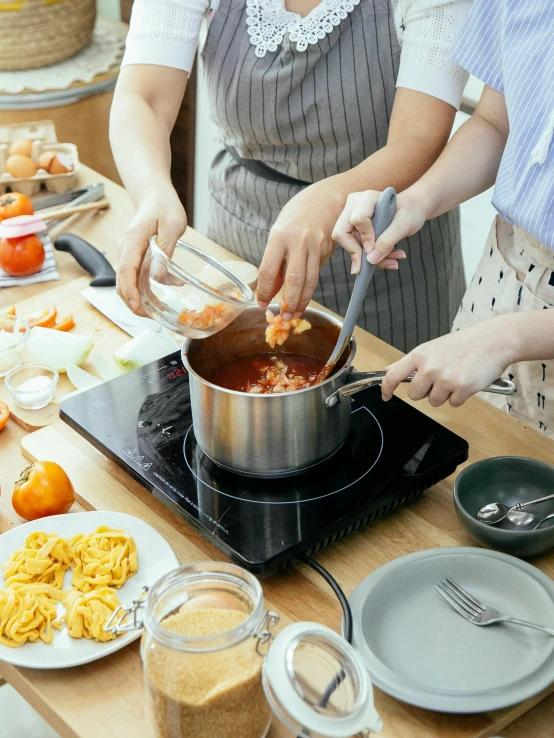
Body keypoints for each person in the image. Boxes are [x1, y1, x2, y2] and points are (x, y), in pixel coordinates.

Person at [110, 0, 473, 353]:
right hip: (238, 230)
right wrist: (152, 191)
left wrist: (331, 197)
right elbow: (144, 97)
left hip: (382, 248)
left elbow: (419, 137)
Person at [333, 1, 554, 434]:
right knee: (482, 454)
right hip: (505, 272)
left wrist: (504, 339)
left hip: (508, 331)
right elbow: (496, 123)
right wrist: (415, 203)